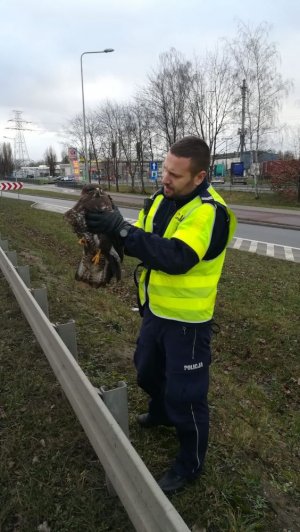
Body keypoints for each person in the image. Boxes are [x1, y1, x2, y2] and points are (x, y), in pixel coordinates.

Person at [85, 136, 236, 494]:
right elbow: (140, 242)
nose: (165, 178)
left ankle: (189, 464)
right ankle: (162, 412)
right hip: (155, 311)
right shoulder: (159, 199)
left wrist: (121, 230)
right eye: (165, 169)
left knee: (187, 395)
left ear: (199, 178)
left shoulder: (208, 212)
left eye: (175, 174)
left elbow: (175, 257)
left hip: (189, 324)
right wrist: (111, 229)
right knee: (147, 370)